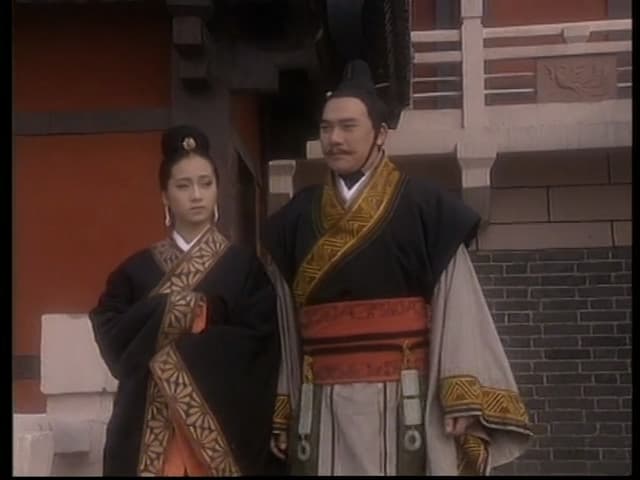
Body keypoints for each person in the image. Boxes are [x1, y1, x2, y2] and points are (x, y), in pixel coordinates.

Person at [261, 60, 532, 476]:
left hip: (403, 399)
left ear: (381, 134)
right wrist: (284, 405)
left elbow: (459, 305)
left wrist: (460, 395)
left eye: (348, 126)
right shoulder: (295, 218)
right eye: (326, 128)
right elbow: (284, 323)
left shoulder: (426, 208)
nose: (335, 139)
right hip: (320, 400)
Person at [89, 125, 281, 476]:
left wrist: (187, 337)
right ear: (165, 196)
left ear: (217, 189)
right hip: (147, 427)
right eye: (183, 186)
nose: (196, 195)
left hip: (220, 427)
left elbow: (261, 345)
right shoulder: (134, 271)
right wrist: (175, 310)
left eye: (206, 184)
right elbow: (114, 338)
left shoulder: (245, 268)